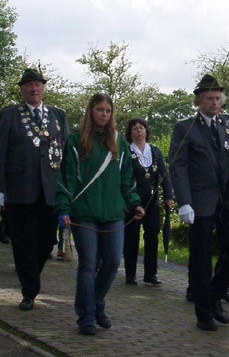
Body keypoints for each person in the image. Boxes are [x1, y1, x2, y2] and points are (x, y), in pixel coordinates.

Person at [169, 74, 229, 331]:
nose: (215, 103)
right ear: (199, 101)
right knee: (201, 258)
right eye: (209, 98)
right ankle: (204, 312)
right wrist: (183, 201)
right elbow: (177, 166)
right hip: (200, 200)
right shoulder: (185, 127)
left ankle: (215, 294)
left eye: (218, 98)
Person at [55, 93, 145, 335]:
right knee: (88, 264)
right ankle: (86, 316)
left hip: (113, 212)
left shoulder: (119, 141)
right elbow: (67, 177)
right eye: (99, 109)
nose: (104, 114)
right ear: (90, 111)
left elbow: (126, 178)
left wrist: (134, 202)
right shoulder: (76, 140)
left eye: (108, 110)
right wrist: (63, 207)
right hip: (84, 211)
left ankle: (95, 303)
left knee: (113, 261)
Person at [0, 68, 69, 311]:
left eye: (37, 84)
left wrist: (68, 190)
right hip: (19, 190)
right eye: (29, 85)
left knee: (47, 242)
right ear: (22, 90)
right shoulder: (10, 115)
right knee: (23, 242)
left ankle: (31, 275)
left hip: (50, 190)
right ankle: (29, 289)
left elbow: (66, 155)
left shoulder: (57, 115)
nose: (34, 89)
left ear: (43, 88)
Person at [122, 117, 173, 286]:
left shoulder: (155, 151)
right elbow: (122, 178)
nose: (139, 131)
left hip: (152, 201)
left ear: (146, 131)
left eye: (141, 127)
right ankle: (130, 274)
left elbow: (164, 175)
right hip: (133, 202)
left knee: (152, 235)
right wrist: (125, 201)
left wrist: (168, 196)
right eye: (135, 128)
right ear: (130, 133)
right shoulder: (127, 152)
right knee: (131, 238)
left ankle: (150, 274)